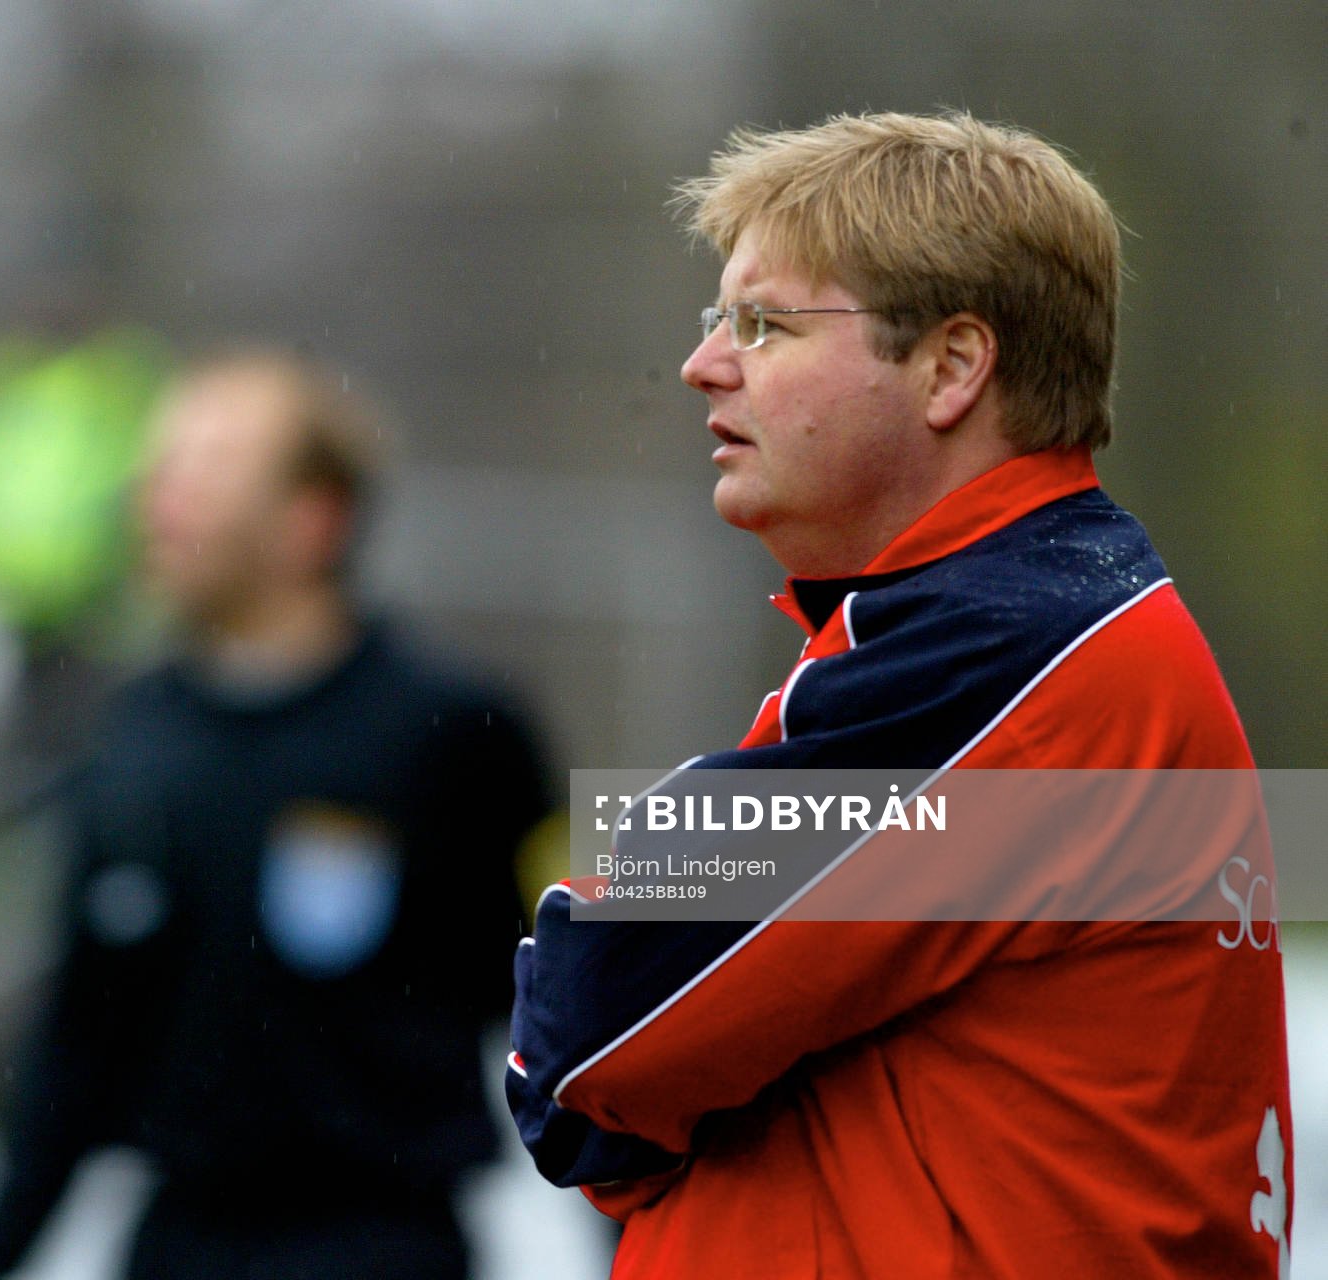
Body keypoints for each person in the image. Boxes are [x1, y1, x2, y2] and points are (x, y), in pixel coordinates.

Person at [506, 113, 1293, 1276]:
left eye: (763, 324)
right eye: (716, 320)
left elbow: (589, 1029)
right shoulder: (1031, 620)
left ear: (951, 366)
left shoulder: (1004, 652)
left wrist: (663, 1075)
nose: (703, 363)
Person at [0, 346, 551, 1280]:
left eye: (208, 469)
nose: (160, 501)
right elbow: (75, 1045)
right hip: (176, 1243)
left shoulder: (455, 727)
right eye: (159, 469)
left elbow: (584, 998)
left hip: (383, 1249)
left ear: (311, 521)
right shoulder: (132, 734)